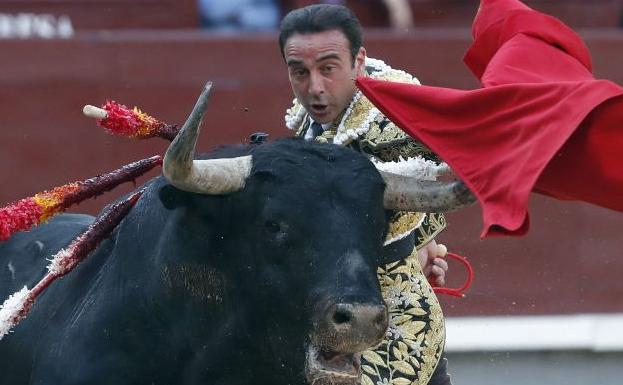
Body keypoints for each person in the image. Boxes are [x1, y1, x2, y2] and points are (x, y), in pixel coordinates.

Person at [279, 4, 452, 384]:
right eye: (300, 72)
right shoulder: (316, 112)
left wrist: (420, 249)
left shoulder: (391, 117)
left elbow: (432, 189)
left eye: (328, 68)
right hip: (323, 308)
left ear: (359, 60)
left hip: (392, 317)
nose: (315, 88)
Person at [356, 0, 623, 238]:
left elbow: (482, 109)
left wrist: (374, 87)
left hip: (586, 144)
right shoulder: (551, 45)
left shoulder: (513, 52)